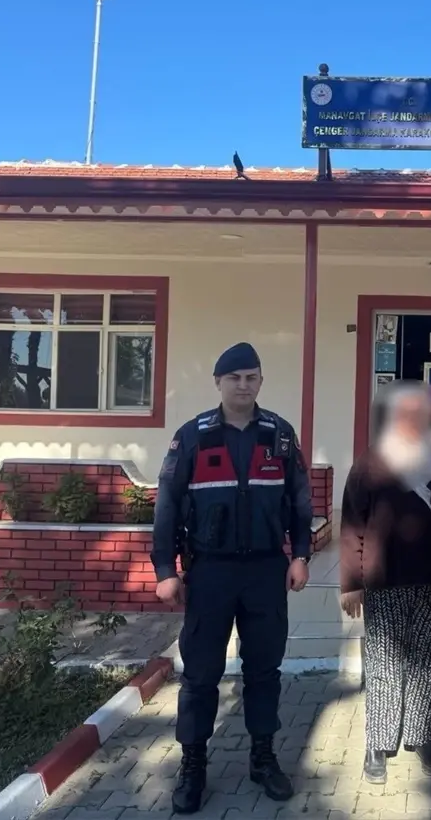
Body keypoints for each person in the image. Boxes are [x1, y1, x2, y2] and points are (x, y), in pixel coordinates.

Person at [150, 342, 312, 815]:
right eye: (234, 377)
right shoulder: (193, 437)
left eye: (251, 377)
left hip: (265, 570)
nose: (243, 385)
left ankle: (263, 758)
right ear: (219, 382)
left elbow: (300, 503)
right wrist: (166, 570)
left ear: (260, 382)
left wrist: (300, 555)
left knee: (264, 670)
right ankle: (193, 765)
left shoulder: (279, 435)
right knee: (200, 674)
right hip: (211, 572)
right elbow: (167, 507)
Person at [339, 382, 431, 785]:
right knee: (384, 665)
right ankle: (378, 743)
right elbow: (352, 523)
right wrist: (350, 582)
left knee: (427, 664)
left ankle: (421, 735)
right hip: (385, 581)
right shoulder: (372, 461)